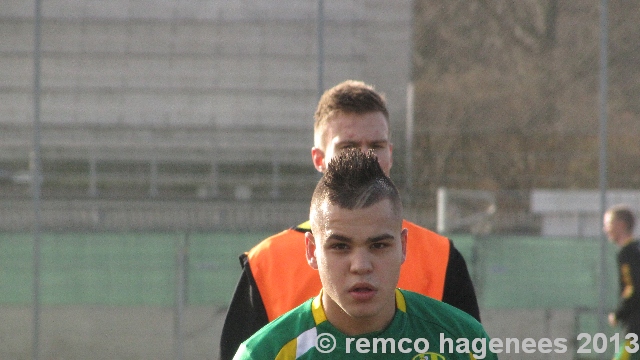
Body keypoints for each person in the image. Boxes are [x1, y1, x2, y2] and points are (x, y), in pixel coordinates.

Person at [220, 80, 480, 359]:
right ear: (319, 159)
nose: (365, 156)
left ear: (391, 154)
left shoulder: (440, 257)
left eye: (376, 145)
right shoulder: (266, 264)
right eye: (348, 146)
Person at [233, 149, 495, 359]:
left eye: (379, 246)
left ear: (403, 246)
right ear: (312, 250)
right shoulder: (263, 354)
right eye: (340, 246)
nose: (360, 266)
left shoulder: (463, 343)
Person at [604, 205, 640, 360]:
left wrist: (619, 313)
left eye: (608, 224)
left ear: (621, 225)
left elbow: (633, 287)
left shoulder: (628, 253)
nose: (605, 229)